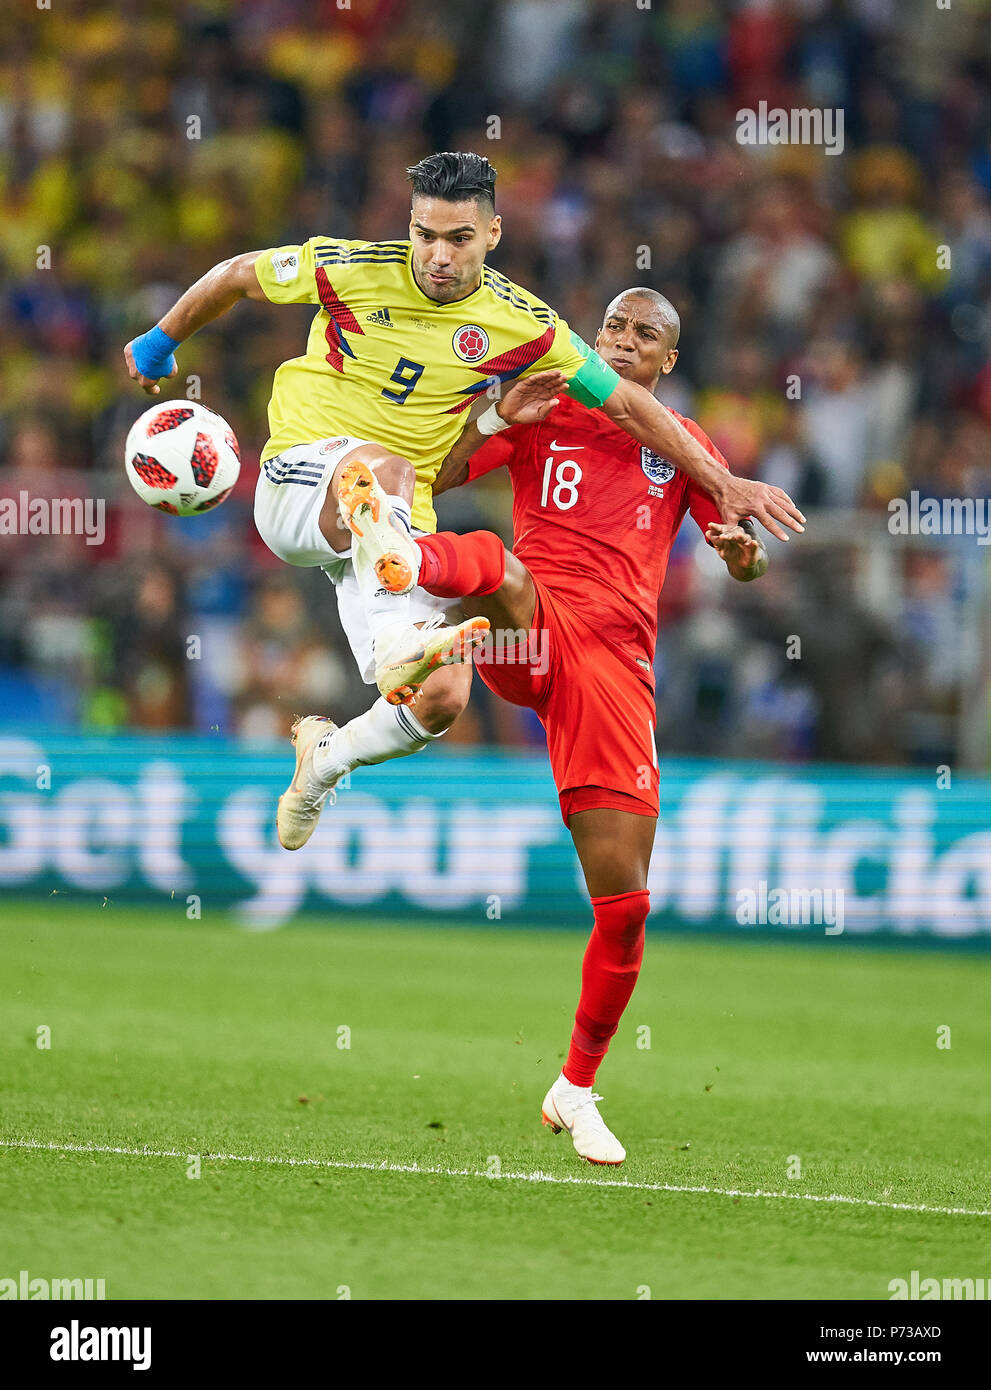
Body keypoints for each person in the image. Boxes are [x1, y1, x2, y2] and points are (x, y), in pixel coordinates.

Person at [123, 152, 803, 853]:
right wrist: (158, 342)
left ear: (493, 234)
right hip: (303, 482)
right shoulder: (351, 266)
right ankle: (395, 642)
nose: (437, 255)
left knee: (444, 696)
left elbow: (626, 404)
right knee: (380, 471)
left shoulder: (523, 324)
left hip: (392, 529)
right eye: (424, 235)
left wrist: (720, 482)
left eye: (457, 239)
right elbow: (237, 275)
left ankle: (324, 763)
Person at [416, 287, 770, 1163]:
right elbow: (441, 473)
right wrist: (496, 409)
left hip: (615, 668)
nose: (621, 340)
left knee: (625, 905)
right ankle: (406, 573)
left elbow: (745, 561)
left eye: (644, 334)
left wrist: (741, 555)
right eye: (613, 325)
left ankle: (574, 1088)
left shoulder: (684, 447)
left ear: (666, 362)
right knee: (495, 567)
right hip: (535, 623)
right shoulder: (546, 399)